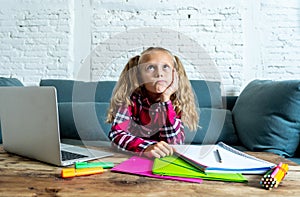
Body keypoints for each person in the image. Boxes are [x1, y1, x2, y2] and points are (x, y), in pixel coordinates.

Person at [106, 47, 199, 158]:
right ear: (139, 76)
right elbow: (117, 134)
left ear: (175, 74)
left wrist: (166, 99)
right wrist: (146, 147)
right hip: (133, 157)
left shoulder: (175, 102)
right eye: (150, 68)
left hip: (164, 160)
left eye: (165, 67)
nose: (159, 73)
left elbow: (174, 143)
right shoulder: (130, 100)